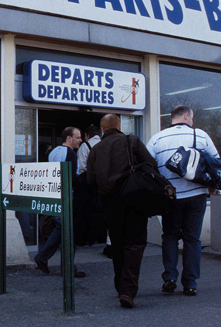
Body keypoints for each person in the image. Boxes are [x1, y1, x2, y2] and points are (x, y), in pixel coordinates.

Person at [87, 114, 158, 308]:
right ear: (119, 125)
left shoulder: (95, 149)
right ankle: (127, 290)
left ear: (103, 129)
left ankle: (120, 286)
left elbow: (91, 180)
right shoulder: (132, 140)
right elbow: (152, 165)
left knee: (117, 244)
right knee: (135, 243)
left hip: (110, 203)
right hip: (134, 199)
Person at [147, 105, 218, 297]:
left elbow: (147, 165)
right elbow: (216, 162)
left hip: (170, 197)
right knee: (192, 238)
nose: (192, 122)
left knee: (170, 235)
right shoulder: (201, 135)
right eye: (192, 118)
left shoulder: (157, 138)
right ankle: (190, 283)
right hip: (196, 195)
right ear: (186, 116)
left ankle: (169, 278)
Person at [34, 126, 86, 278]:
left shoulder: (53, 152)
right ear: (69, 138)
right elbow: (71, 179)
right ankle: (68, 267)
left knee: (60, 229)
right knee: (69, 231)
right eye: (78, 137)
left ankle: (43, 257)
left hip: (53, 195)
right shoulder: (71, 154)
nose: (80, 140)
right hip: (66, 197)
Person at [76, 124, 107, 247]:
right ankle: (102, 237)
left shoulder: (85, 146)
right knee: (102, 210)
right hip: (105, 182)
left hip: (89, 183)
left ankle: (86, 238)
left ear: (87, 135)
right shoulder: (106, 144)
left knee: (87, 211)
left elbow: (81, 166)